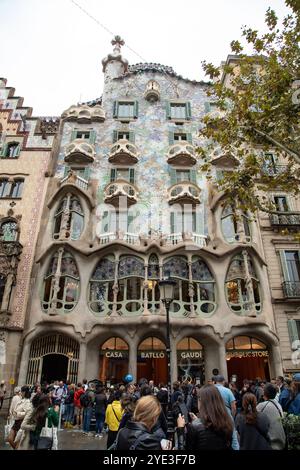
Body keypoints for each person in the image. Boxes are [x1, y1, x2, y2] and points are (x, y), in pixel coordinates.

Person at [186, 385, 233, 451]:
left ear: (201, 401)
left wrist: (180, 429)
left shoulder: (194, 427)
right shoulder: (227, 421)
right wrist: (198, 420)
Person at [256, 383, 286, 450]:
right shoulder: (278, 404)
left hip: (272, 444)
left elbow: (252, 416)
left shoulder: (262, 405)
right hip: (282, 441)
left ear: (265, 393)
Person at [213, 374, 239, 449]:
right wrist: (232, 415)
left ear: (215, 381)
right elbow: (233, 407)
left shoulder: (211, 390)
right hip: (227, 414)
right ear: (223, 381)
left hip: (214, 415)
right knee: (233, 437)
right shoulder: (228, 391)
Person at [7, 385, 32, 449]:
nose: (20, 393)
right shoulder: (21, 399)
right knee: (10, 439)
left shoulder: (27, 402)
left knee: (18, 443)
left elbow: (27, 413)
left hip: (21, 423)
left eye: (21, 391)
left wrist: (18, 413)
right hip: (16, 421)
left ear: (24, 392)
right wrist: (13, 412)